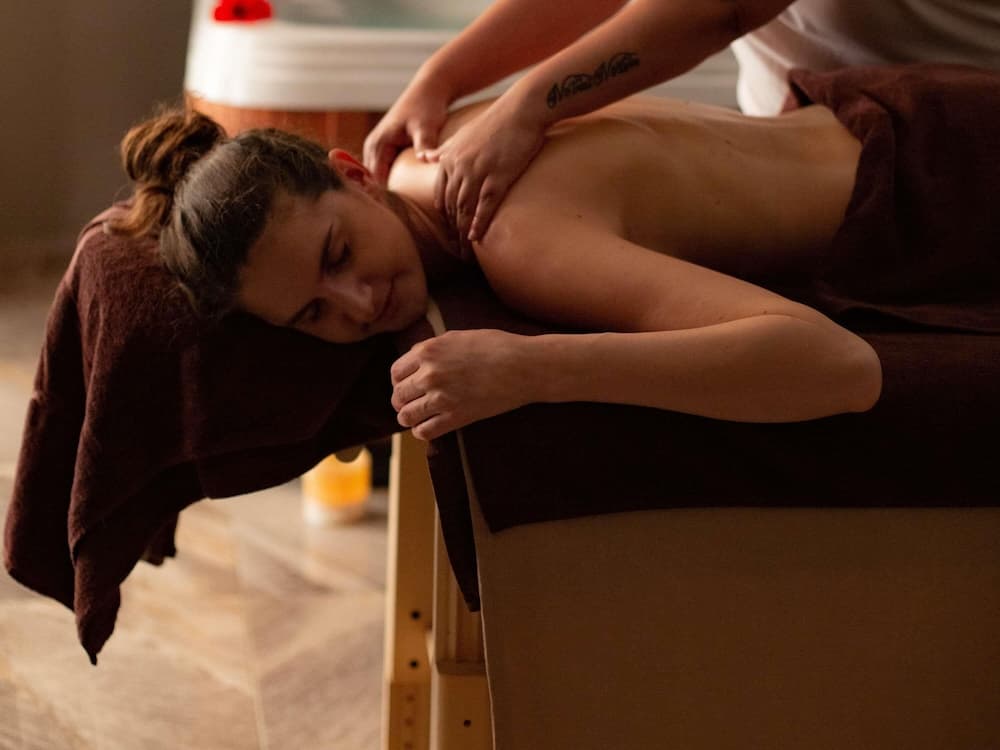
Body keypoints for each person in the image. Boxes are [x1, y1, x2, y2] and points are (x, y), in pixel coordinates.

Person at [112, 70, 913, 442]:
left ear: (352, 174)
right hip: (893, 107)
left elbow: (839, 367)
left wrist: (532, 369)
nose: (358, 304)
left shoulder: (515, 238)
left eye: (338, 253)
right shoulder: (434, 141)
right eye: (312, 314)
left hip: (935, 188)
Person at [362, 0, 1000, 248]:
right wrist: (442, 78)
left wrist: (529, 106)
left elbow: (719, 10)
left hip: (953, 144)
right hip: (820, 134)